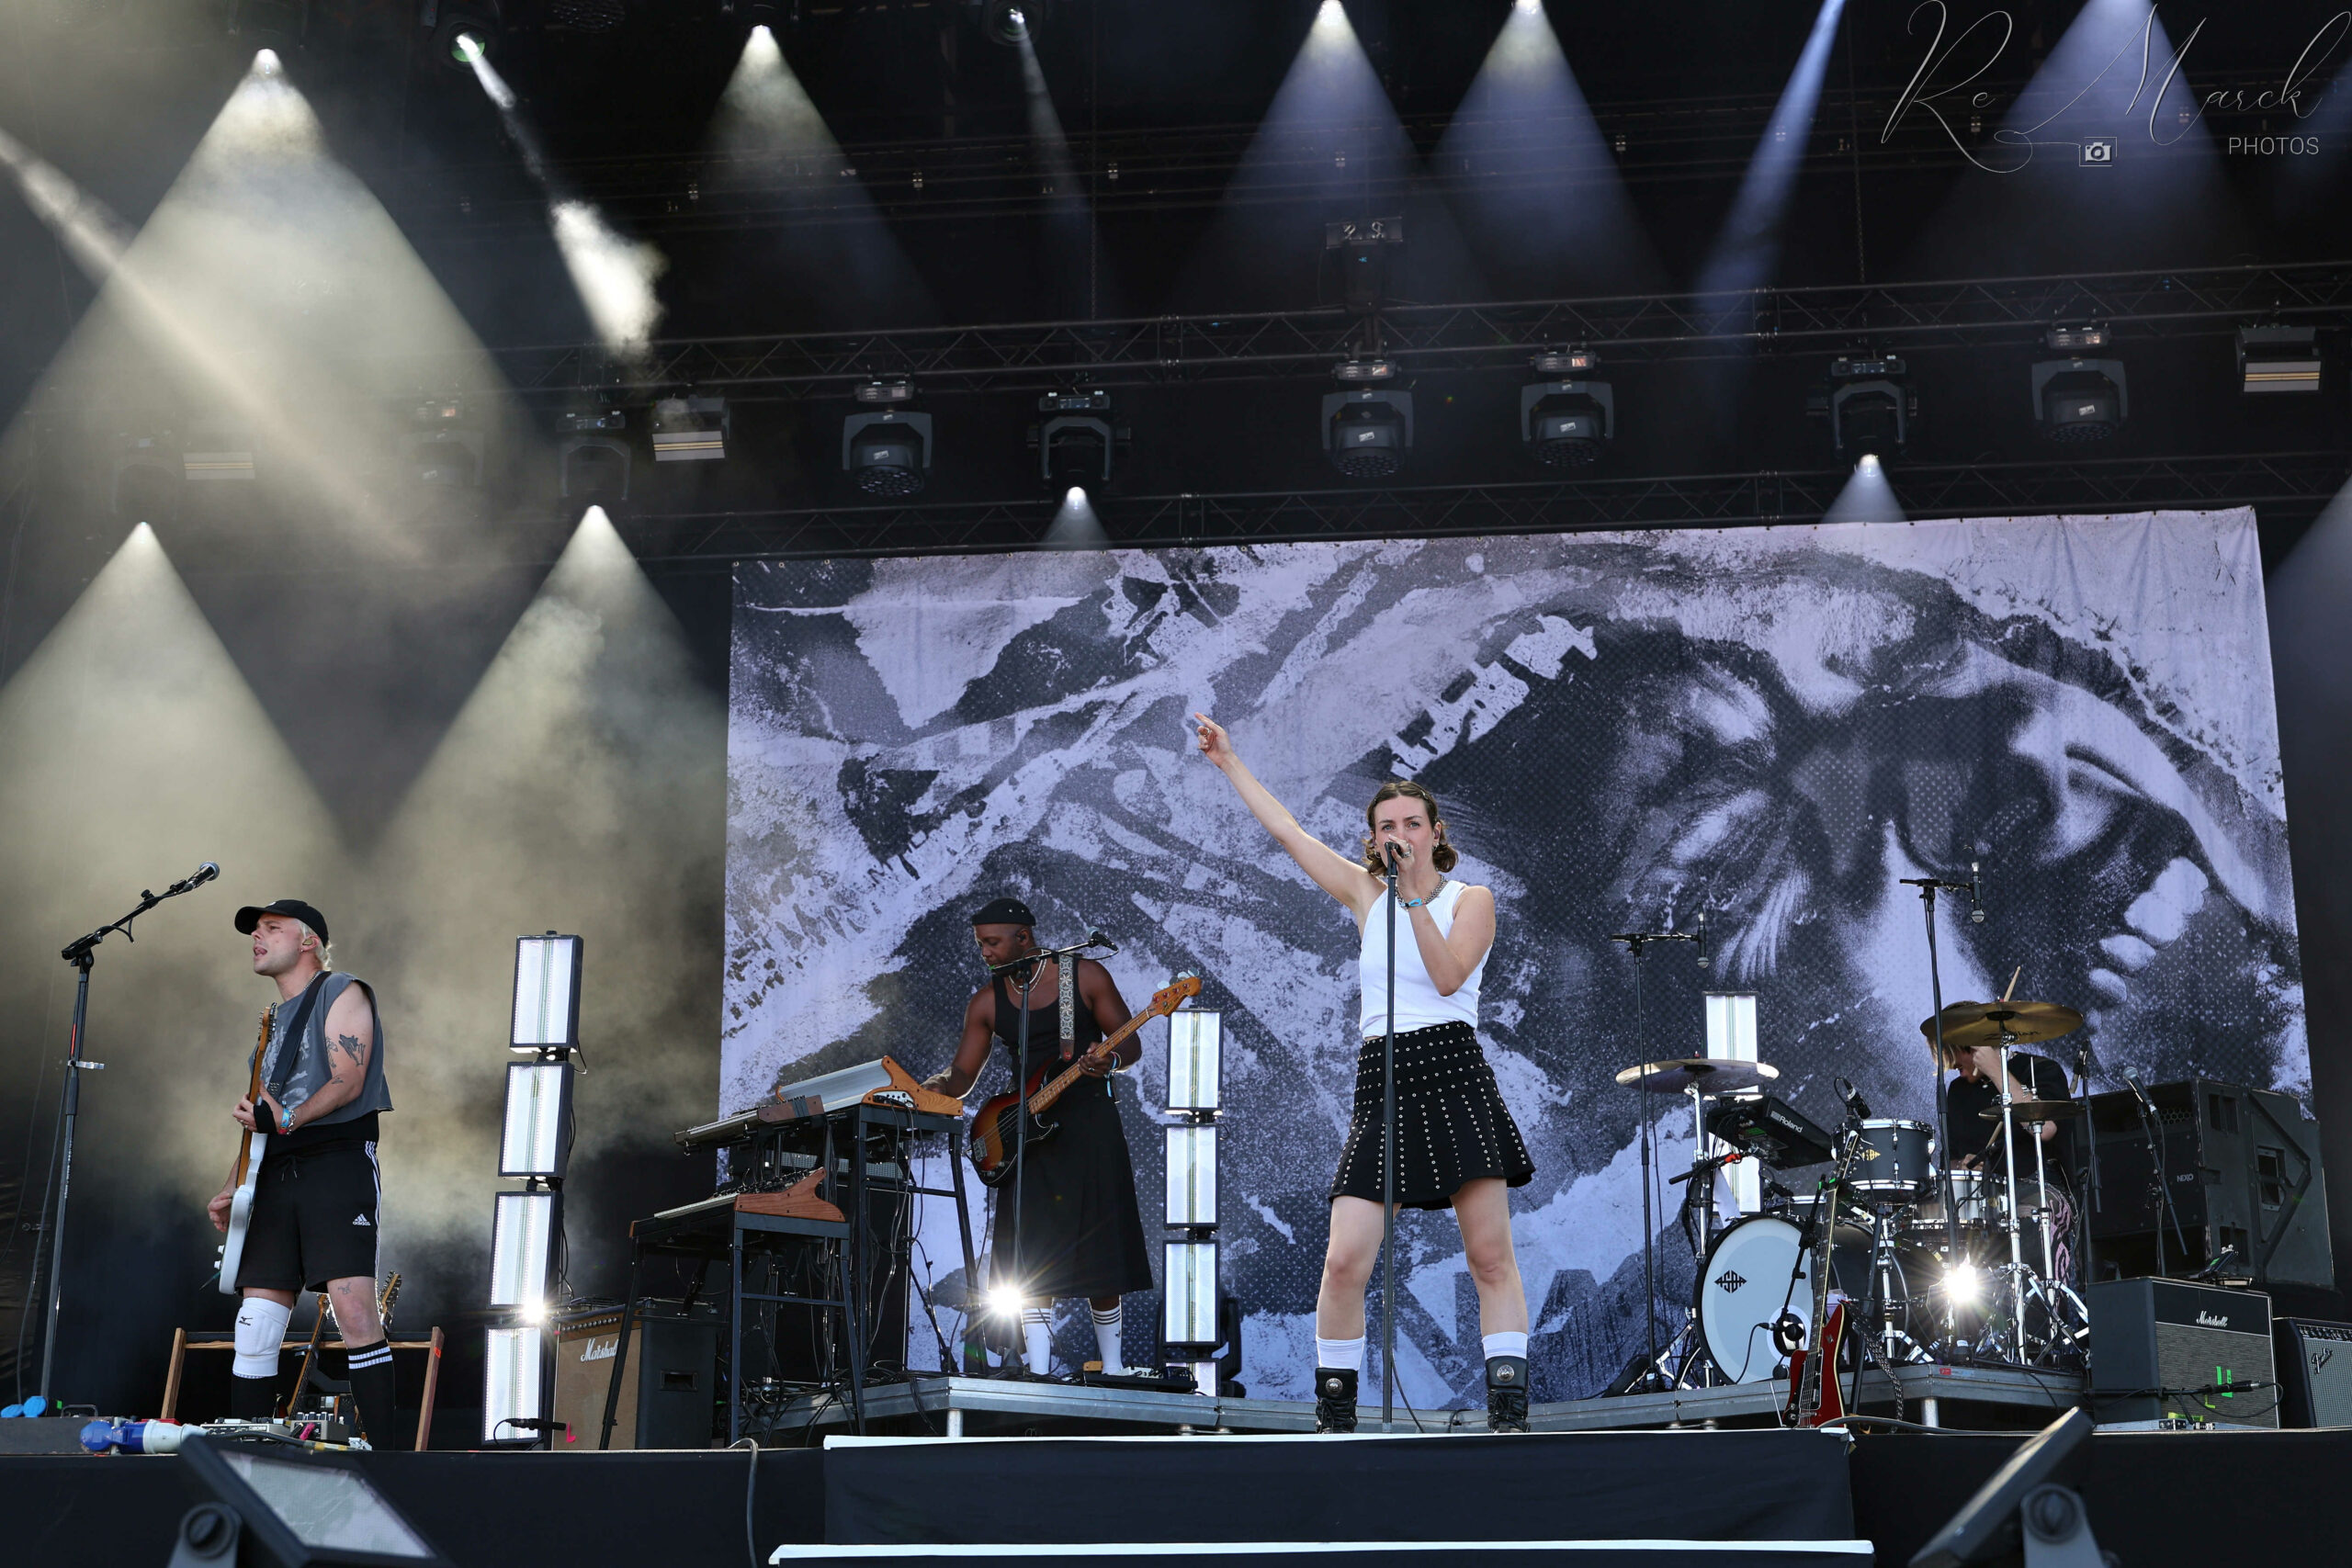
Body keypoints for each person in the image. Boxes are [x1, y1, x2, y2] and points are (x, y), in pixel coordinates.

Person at [1193, 714, 1537, 1433]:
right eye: (1387, 825)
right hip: (1383, 1074)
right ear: (1372, 838)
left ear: (1435, 831)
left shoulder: (1468, 899)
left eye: (1413, 822)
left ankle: (1507, 1406)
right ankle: (1336, 1410)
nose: (1400, 833)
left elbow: (1447, 977)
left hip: (1451, 1065)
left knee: (1488, 1253)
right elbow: (1288, 833)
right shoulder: (1363, 895)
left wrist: (1414, 894)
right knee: (1345, 1258)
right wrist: (1229, 763)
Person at [924, 897, 1154, 1378]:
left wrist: (1105, 1061)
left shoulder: (1085, 977)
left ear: (1022, 939)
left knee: (1101, 1244)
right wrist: (935, 1087)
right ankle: (1038, 1368)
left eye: (991, 942)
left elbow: (1128, 1044)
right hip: (1025, 1135)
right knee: (1031, 1253)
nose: (984, 952)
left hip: (1090, 1125)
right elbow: (962, 1074)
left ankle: (1111, 1367)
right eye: (979, 944)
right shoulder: (987, 1001)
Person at [208, 898, 398, 1444]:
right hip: (273, 1172)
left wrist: (287, 1117)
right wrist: (232, 1186)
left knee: (354, 1307)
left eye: (273, 928)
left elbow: (348, 1080)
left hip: (335, 1160)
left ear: (309, 940)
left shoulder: (343, 992)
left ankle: (391, 1465)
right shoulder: (267, 1028)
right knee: (256, 1325)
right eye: (254, 930)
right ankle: (248, 1460)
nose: (257, 937)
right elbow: (258, 1121)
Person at [1939, 1034, 2077, 1283]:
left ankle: (2049, 1313)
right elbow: (1947, 1160)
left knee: (2032, 1221)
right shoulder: (1957, 1091)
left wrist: (1996, 1070)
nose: (1953, 1068)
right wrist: (1962, 1165)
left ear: (1973, 1047)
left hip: (2037, 1185)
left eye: (1955, 1058)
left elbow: (2045, 1127)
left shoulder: (2039, 1070)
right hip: (1980, 1197)